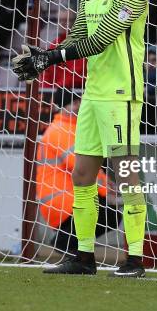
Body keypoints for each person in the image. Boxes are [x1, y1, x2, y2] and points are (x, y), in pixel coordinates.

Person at [12, 0, 148, 277]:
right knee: (83, 174)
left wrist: (50, 57)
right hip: (92, 95)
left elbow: (100, 40)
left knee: (126, 173)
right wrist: (42, 56)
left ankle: (135, 258)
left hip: (121, 95)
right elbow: (77, 37)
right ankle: (84, 257)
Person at [36, 89, 119, 255]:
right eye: (72, 103)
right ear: (60, 107)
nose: (77, 106)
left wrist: (106, 184)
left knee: (111, 214)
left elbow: (87, 166)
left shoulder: (72, 128)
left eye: (78, 102)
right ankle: (65, 242)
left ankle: (75, 249)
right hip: (62, 201)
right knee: (111, 214)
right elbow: (80, 166)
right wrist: (108, 191)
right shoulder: (60, 129)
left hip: (66, 198)